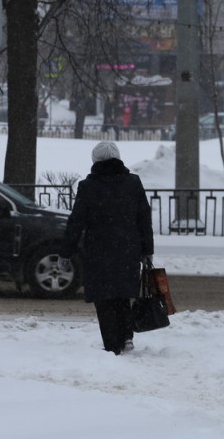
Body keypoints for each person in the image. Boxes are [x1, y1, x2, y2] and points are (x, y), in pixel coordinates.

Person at [61, 141, 154, 355]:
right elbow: (143, 219)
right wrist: (147, 250)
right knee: (123, 295)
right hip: (128, 250)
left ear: (95, 161)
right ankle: (126, 336)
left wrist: (66, 251)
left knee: (104, 299)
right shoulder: (133, 183)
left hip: (98, 251)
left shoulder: (88, 186)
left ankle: (112, 344)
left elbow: (76, 222)